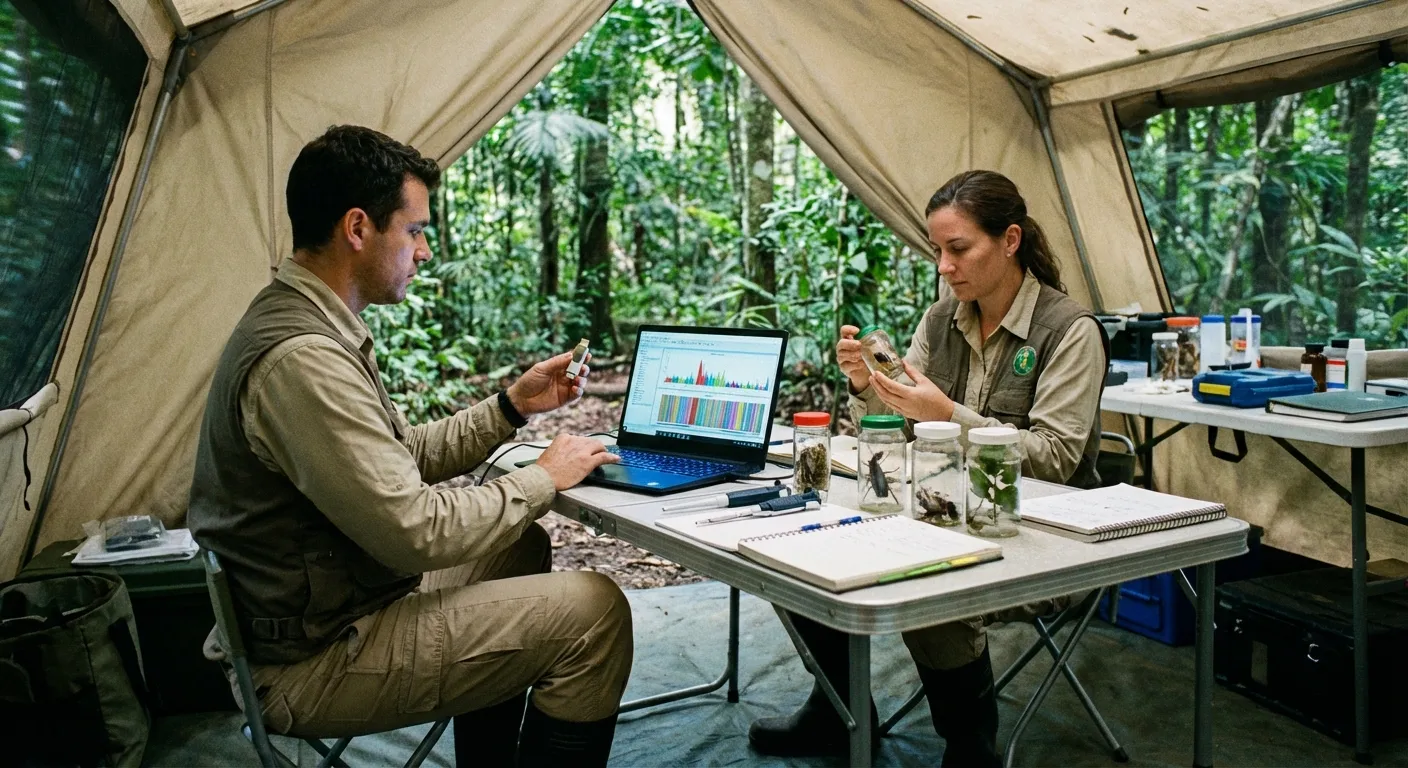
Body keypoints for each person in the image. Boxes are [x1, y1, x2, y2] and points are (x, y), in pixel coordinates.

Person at [188, 125, 629, 768]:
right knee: (596, 612)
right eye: (415, 230)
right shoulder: (304, 360)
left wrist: (512, 405)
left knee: (520, 543)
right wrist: (541, 477)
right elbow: (413, 532)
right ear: (359, 228)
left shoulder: (307, 320)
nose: (423, 251)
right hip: (313, 658)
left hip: (333, 606)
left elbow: (399, 457)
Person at [749, 170, 1107, 766]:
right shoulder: (943, 318)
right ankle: (838, 709)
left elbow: (1056, 461)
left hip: (1039, 533)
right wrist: (868, 385)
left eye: (958, 249)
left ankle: (970, 743)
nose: (944, 265)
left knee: (927, 575)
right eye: (938, 250)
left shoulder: (1069, 331)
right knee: (795, 544)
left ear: (1011, 240)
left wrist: (948, 414)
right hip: (941, 507)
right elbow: (901, 421)